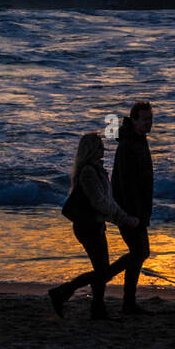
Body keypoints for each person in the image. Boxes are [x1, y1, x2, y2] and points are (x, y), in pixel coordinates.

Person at [48, 132, 138, 321]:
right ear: (91, 150)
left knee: (101, 270)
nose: (103, 149)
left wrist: (119, 217)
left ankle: (97, 309)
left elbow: (105, 201)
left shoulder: (96, 170)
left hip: (94, 224)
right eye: (99, 146)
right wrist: (123, 218)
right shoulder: (89, 172)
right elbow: (101, 203)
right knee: (103, 271)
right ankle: (63, 292)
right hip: (87, 226)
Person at [111, 101, 154, 316]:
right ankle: (103, 277)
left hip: (138, 210)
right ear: (134, 119)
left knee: (140, 252)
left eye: (150, 119)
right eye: (145, 119)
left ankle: (128, 302)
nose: (149, 123)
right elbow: (124, 183)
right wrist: (131, 214)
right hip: (129, 211)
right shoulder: (128, 145)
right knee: (140, 252)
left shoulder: (139, 140)